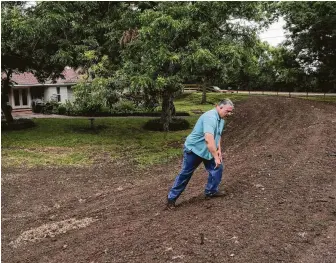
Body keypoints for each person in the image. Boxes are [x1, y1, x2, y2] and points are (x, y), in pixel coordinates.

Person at [167, 99, 234, 208]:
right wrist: (215, 157)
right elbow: (209, 139)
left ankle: (211, 191)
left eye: (231, 112)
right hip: (194, 150)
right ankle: (171, 199)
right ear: (219, 107)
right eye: (228, 111)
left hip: (208, 149)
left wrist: (219, 151)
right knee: (186, 173)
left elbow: (218, 136)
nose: (229, 114)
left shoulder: (221, 119)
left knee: (218, 167)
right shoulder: (210, 117)